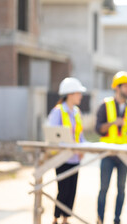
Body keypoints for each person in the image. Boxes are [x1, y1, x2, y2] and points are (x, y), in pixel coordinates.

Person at [96, 71, 127, 224]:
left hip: (124, 155)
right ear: (117, 87)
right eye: (126, 86)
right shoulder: (105, 105)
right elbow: (98, 128)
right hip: (108, 154)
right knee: (103, 189)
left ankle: (117, 220)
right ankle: (100, 219)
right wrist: (113, 123)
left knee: (121, 189)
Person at [48, 77, 87, 224]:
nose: (81, 96)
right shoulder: (57, 112)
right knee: (63, 189)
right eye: (78, 93)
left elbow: (80, 135)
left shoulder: (77, 112)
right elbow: (53, 135)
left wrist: (83, 147)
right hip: (62, 158)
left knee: (72, 190)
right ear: (70, 94)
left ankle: (66, 218)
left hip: (75, 158)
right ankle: (56, 218)